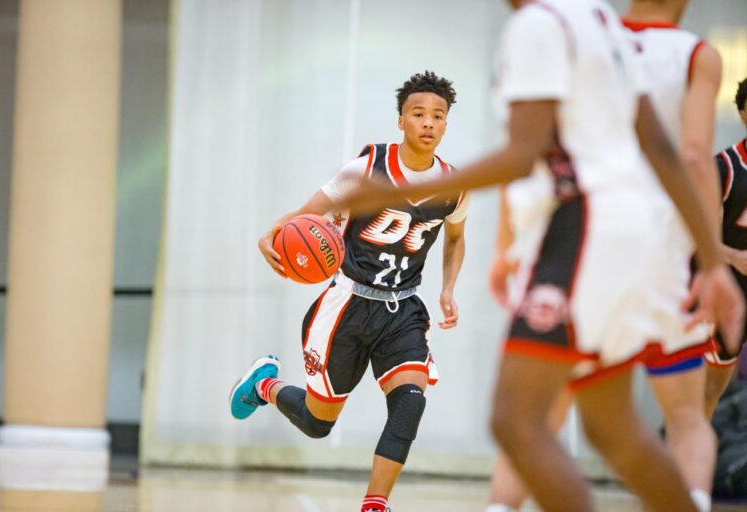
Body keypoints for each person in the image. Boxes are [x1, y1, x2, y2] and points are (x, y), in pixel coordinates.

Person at [334, 1, 744, 510]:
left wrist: (385, 195)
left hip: (583, 233)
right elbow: (660, 147)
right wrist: (708, 260)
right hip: (635, 235)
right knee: (611, 429)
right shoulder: (597, 18)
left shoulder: (536, 25)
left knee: (517, 419)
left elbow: (520, 155)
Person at [485, 1, 724, 510]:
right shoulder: (680, 50)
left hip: (582, 239)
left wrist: (508, 242)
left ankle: (501, 506)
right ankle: (695, 501)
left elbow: (530, 149)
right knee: (673, 416)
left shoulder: (576, 30)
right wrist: (710, 259)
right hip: (661, 247)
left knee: (534, 413)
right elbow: (690, 156)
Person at [229, 71, 469, 512]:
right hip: (348, 304)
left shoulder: (453, 185)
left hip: (403, 310)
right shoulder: (367, 169)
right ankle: (265, 384)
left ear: (447, 124)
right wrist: (270, 235)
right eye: (419, 114)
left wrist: (448, 288)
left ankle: (374, 504)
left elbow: (455, 239)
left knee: (411, 402)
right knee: (319, 424)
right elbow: (305, 218)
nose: (429, 123)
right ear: (401, 120)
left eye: (438, 116)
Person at [705, 77, 747, 417]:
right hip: (730, 294)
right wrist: (736, 257)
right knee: (709, 395)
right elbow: (698, 236)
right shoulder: (724, 167)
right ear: (743, 115)